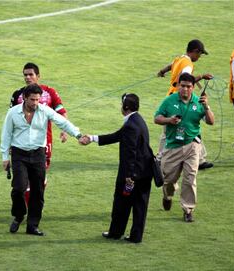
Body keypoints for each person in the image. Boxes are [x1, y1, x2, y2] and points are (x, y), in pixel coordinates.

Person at [1, 84, 81, 236]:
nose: (35, 103)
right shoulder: (12, 113)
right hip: (19, 155)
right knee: (18, 188)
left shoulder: (44, 110)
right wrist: (5, 157)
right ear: (24, 98)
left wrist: (77, 134)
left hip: (38, 154)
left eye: (38, 100)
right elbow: (6, 135)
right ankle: (19, 215)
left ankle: (33, 225)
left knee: (38, 191)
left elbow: (62, 122)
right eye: (32, 100)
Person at [80, 93, 153, 243]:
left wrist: (129, 176)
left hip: (133, 174)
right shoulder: (137, 120)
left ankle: (115, 232)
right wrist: (93, 138)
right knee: (140, 205)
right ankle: (135, 236)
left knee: (121, 203)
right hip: (145, 171)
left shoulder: (131, 125)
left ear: (125, 107)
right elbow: (117, 136)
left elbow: (130, 153)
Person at [154, 73, 214, 222]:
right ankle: (168, 196)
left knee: (190, 178)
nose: (185, 89)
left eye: (188, 86)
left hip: (192, 145)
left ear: (193, 87)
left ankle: (188, 209)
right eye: (183, 86)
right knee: (169, 179)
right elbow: (157, 118)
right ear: (178, 86)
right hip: (173, 146)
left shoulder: (200, 102)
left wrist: (206, 106)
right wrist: (169, 120)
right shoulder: (169, 101)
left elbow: (211, 121)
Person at [10, 62, 68, 203]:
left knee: (39, 177)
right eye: (25, 75)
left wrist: (64, 130)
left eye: (31, 75)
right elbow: (11, 120)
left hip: (43, 142)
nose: (28, 77)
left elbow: (61, 112)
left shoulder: (49, 93)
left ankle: (32, 204)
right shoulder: (17, 95)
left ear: (38, 76)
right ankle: (30, 207)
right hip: (20, 143)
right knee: (25, 181)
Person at [157, 39, 214, 170]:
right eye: (199, 54)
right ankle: (160, 157)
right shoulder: (188, 64)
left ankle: (200, 158)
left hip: (172, 96)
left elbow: (171, 65)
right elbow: (184, 80)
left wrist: (162, 71)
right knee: (180, 127)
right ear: (195, 51)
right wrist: (202, 76)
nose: (199, 57)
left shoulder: (180, 58)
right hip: (180, 99)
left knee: (188, 126)